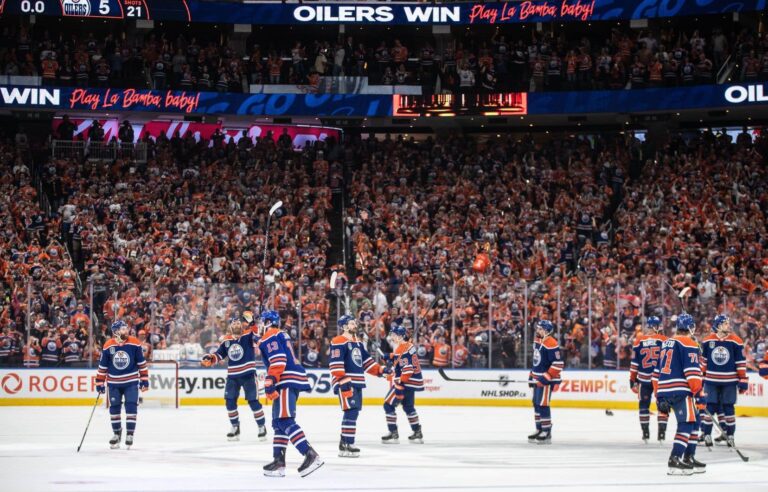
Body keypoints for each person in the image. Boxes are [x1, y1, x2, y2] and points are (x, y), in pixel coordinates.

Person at [258, 310, 323, 478]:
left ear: (267, 322)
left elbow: (278, 359)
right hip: (287, 379)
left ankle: (310, 454)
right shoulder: (279, 333)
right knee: (278, 422)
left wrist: (271, 380)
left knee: (285, 420)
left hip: (285, 379)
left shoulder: (270, 335)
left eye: (261, 322)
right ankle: (278, 461)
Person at [201, 311, 267, 442]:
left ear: (241, 325)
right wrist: (211, 358)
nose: (236, 324)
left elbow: (257, 335)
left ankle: (261, 426)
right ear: (231, 327)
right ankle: (235, 427)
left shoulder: (248, 335)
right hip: (232, 376)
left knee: (253, 401)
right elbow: (219, 354)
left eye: (238, 322)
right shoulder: (227, 339)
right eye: (234, 323)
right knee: (230, 402)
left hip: (248, 374)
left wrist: (252, 322)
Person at [653, 313, 705, 475]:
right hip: (680, 390)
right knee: (687, 423)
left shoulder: (667, 342)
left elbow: (657, 370)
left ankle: (688, 457)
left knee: (694, 421)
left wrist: (659, 395)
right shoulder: (688, 342)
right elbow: (692, 372)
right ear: (690, 327)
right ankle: (675, 458)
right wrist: (699, 394)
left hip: (664, 388)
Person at [329, 315, 387, 457]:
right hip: (346, 382)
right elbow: (335, 364)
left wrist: (381, 370)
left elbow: (367, 363)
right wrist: (342, 381)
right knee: (351, 411)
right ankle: (348, 443)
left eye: (355, 322)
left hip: (358, 382)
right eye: (351, 323)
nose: (355, 325)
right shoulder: (338, 341)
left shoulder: (358, 343)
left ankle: (344, 443)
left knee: (353, 412)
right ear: (344, 327)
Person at [96, 320, 149, 449]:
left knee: (131, 406)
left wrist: (144, 379)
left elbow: (141, 363)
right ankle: (116, 433)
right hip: (113, 383)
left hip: (131, 381)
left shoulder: (134, 342)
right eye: (123, 329)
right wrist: (99, 382)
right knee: (114, 408)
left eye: (126, 328)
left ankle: (130, 434)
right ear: (115, 332)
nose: (126, 330)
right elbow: (103, 366)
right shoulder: (108, 345)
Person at [699, 315, 748, 448]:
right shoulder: (707, 341)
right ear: (719, 325)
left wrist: (742, 378)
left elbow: (740, 362)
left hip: (730, 381)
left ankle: (730, 436)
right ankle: (707, 434)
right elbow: (703, 362)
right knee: (710, 407)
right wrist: (700, 378)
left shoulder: (736, 341)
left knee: (728, 408)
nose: (728, 325)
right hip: (711, 381)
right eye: (725, 323)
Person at [381, 323, 424, 444]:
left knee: (388, 405)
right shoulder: (409, 346)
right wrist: (390, 356)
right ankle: (417, 431)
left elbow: (408, 369)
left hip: (405, 383)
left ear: (400, 336)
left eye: (393, 335)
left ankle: (393, 432)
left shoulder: (402, 348)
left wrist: (400, 382)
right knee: (408, 407)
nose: (391, 337)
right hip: (412, 383)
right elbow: (400, 358)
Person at [629, 316, 669, 443]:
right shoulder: (664, 340)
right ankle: (661, 433)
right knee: (663, 405)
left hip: (643, 379)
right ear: (656, 326)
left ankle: (645, 433)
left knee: (643, 406)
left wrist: (632, 379)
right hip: (660, 379)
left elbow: (635, 363)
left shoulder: (639, 340)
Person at [527, 320, 564, 444]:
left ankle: (546, 430)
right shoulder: (538, 340)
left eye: (540, 329)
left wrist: (545, 378)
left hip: (546, 381)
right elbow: (536, 360)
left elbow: (558, 364)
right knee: (536, 404)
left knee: (543, 404)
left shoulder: (551, 343)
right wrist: (531, 375)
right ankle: (539, 429)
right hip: (537, 378)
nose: (537, 331)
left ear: (546, 331)